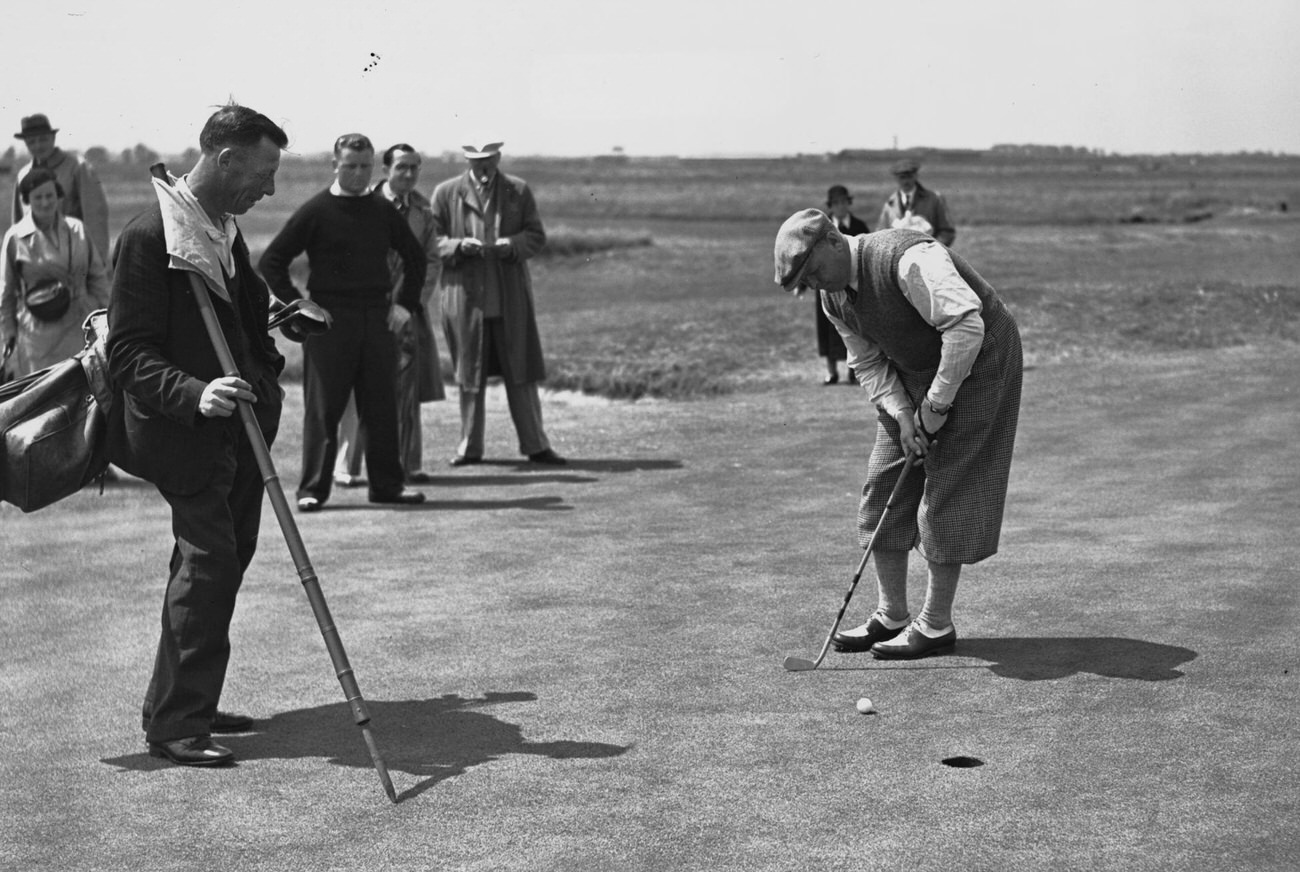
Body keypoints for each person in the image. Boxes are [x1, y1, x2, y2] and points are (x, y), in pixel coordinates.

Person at [106, 104, 289, 766]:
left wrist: (267, 373)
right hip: (183, 434)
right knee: (209, 563)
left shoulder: (222, 228)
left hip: (237, 430)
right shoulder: (151, 234)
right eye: (263, 172)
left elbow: (248, 318)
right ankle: (177, 726)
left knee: (223, 558)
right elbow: (128, 352)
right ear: (225, 159)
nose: (269, 188)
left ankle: (185, 703)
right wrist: (197, 393)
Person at [773, 208, 1021, 659]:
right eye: (804, 283)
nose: (813, 285)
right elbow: (868, 363)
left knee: (948, 484)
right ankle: (892, 615)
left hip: (983, 357)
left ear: (833, 238)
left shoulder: (908, 260)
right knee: (884, 478)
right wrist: (906, 416)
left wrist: (936, 406)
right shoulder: (833, 299)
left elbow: (967, 328)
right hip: (918, 368)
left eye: (812, 273)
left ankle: (936, 625)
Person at [259, 133, 428, 511]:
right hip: (330, 322)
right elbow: (272, 261)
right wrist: (300, 308)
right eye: (350, 166)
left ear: (374, 167)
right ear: (334, 165)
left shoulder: (382, 210)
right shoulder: (316, 210)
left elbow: (416, 260)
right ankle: (312, 490)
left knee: (382, 405)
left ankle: (387, 485)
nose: (357, 173)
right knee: (324, 409)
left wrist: (405, 305)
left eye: (365, 167)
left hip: (378, 317)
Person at [430, 140, 565, 466]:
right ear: (467, 160)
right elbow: (432, 242)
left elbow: (536, 236)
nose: (483, 166)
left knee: (522, 372)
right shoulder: (446, 192)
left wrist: (512, 245)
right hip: (464, 300)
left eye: (489, 159)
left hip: (510, 301)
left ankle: (536, 445)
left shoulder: (518, 190)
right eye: (476, 160)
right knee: (469, 374)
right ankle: (469, 449)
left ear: (498, 157)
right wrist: (460, 247)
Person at [334, 143, 445, 486]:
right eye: (402, 168)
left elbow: (431, 259)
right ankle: (347, 467)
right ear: (385, 171)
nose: (409, 174)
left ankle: (406, 465)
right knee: (359, 388)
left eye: (414, 168)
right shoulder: (365, 205)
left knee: (406, 390)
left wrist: (412, 303)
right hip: (366, 308)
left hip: (407, 311)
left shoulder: (423, 211)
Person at [2, 168, 111, 375]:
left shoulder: (77, 229)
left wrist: (106, 319)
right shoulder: (15, 238)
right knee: (42, 399)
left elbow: (97, 278)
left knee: (85, 394)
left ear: (58, 196)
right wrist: (8, 333)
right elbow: (6, 293)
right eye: (38, 197)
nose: (45, 203)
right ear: (27, 200)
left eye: (50, 195)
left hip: (80, 325)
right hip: (38, 336)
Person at [12, 114, 111, 261]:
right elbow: (18, 225)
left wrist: (95, 264)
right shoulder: (23, 176)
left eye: (43, 139)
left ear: (53, 138)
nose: (38, 146)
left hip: (73, 260)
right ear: (26, 144)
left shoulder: (77, 167)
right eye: (32, 142)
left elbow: (95, 219)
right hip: (36, 266)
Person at [816, 185, 869, 386]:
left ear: (849, 203)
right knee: (828, 326)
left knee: (853, 326)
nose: (840, 207)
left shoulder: (859, 225)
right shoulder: (821, 228)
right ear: (831, 205)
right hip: (825, 285)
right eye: (836, 203)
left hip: (852, 286)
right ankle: (831, 373)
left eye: (844, 202)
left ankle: (853, 371)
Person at [877, 157, 956, 247]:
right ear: (896, 179)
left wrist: (933, 248)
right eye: (902, 177)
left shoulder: (934, 199)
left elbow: (947, 232)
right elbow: (880, 235)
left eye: (909, 177)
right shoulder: (890, 205)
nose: (906, 181)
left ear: (916, 176)